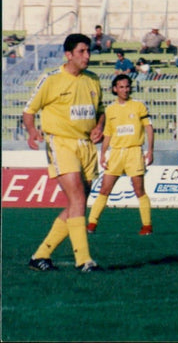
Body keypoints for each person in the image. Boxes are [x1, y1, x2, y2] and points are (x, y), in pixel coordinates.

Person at [24, 33, 104, 272]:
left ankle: (41, 255)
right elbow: (29, 111)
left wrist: (99, 126)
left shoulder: (92, 80)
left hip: (86, 147)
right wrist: (31, 131)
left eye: (88, 51)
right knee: (78, 197)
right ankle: (84, 260)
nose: (87, 56)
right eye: (81, 51)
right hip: (61, 143)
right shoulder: (51, 80)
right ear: (68, 55)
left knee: (76, 204)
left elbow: (101, 110)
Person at [87, 74, 154, 236]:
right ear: (115, 89)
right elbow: (108, 134)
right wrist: (103, 153)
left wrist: (150, 151)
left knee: (139, 190)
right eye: (121, 87)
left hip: (134, 152)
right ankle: (91, 224)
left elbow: (149, 129)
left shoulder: (139, 106)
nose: (125, 90)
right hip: (116, 154)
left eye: (127, 86)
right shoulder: (110, 109)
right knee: (104, 190)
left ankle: (147, 226)